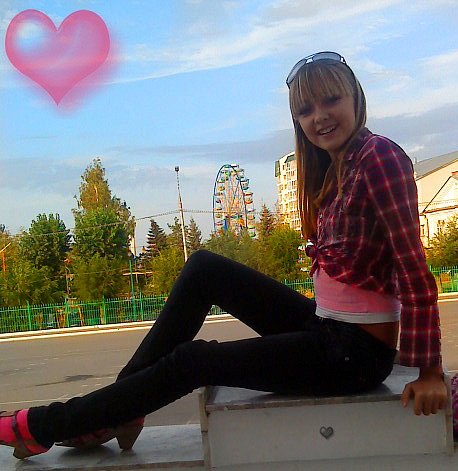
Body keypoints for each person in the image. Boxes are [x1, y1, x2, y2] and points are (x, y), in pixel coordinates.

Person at [0, 51, 447, 460]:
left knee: (195, 360)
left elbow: (412, 266)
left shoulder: (379, 157)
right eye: (305, 110)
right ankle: (121, 407)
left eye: (331, 100)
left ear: (356, 99)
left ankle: (49, 424)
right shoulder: (335, 169)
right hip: (327, 328)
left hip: (354, 356)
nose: (320, 117)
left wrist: (428, 370)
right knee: (204, 269)